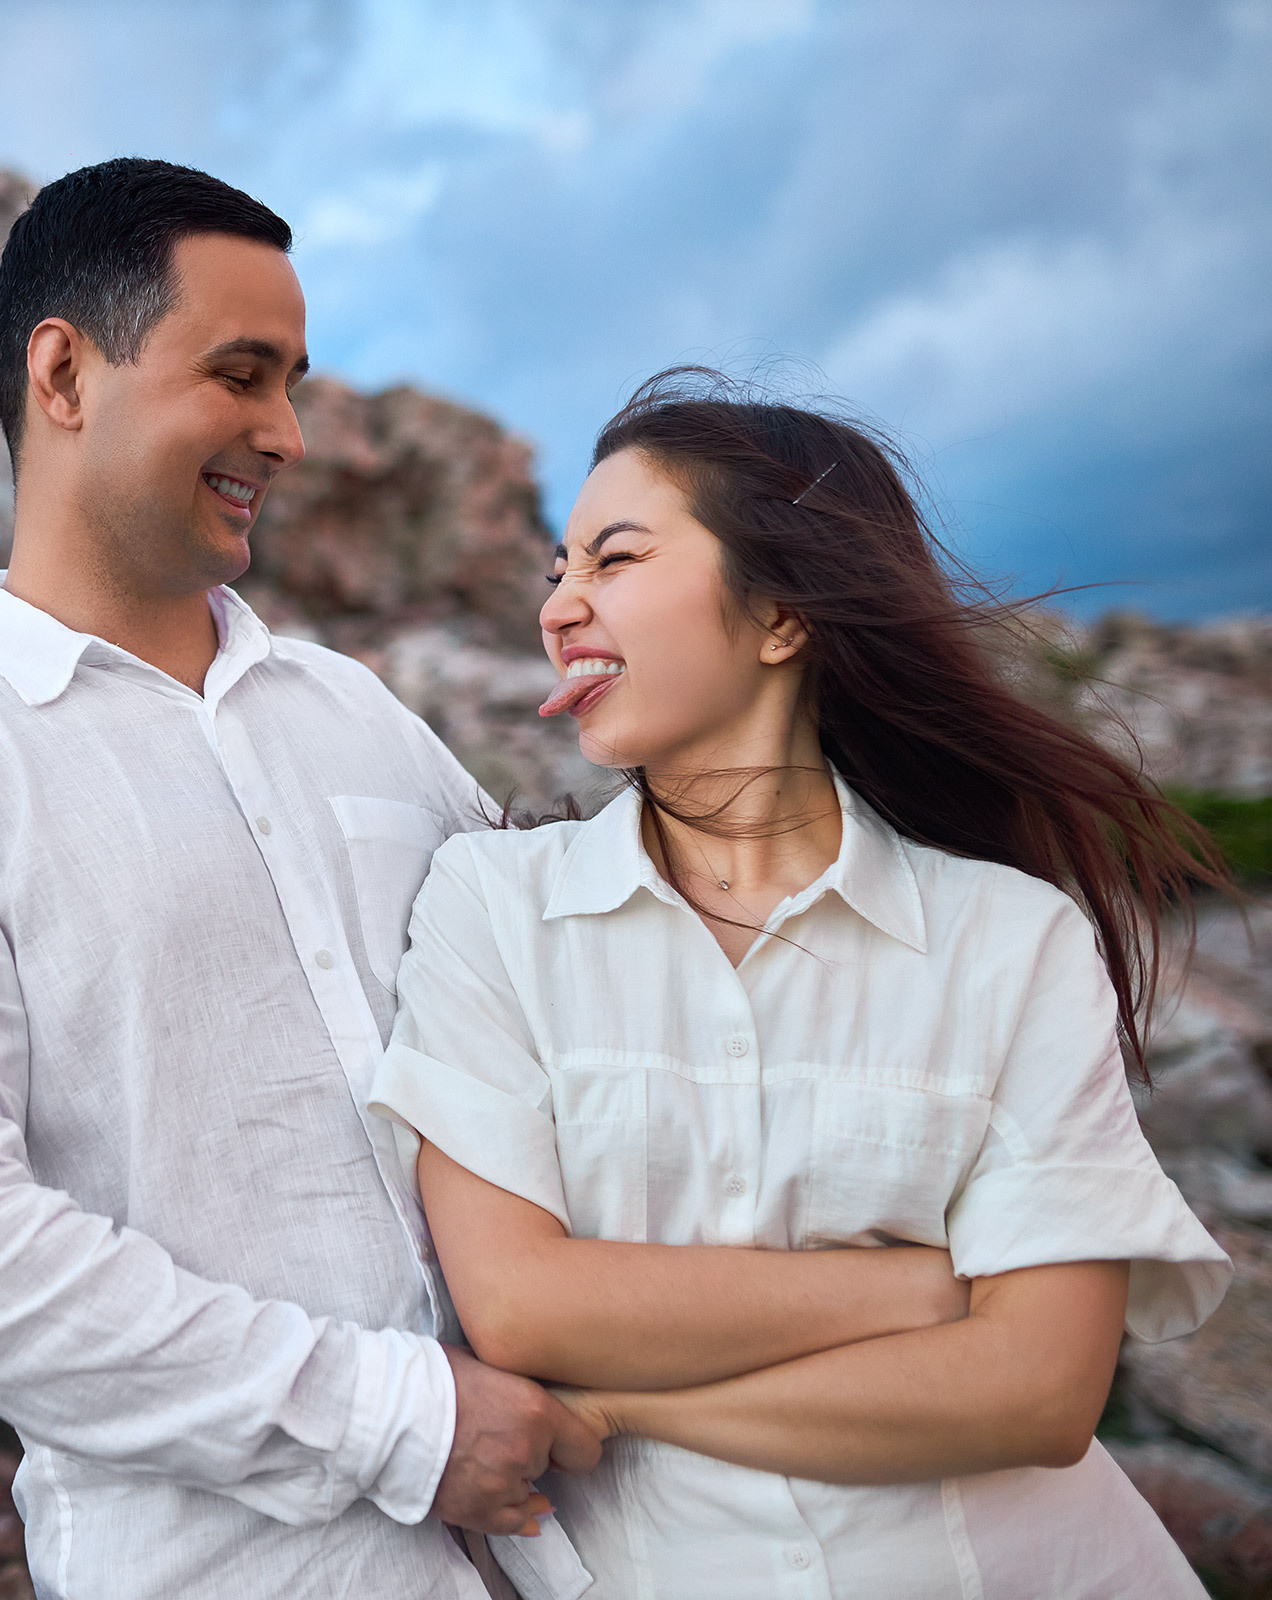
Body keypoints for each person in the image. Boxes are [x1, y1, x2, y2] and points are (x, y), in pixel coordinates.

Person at [0, 158, 603, 1598]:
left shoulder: (358, 713)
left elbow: (572, 1008)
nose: (285, 433)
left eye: (296, 384)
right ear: (65, 372)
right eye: (242, 374)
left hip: (590, 1535)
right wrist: (398, 1419)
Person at [369, 367, 1235, 1600]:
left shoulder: (1012, 938)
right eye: (554, 570)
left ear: (781, 615)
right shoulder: (494, 905)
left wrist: (616, 1399)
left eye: (613, 560)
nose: (560, 605)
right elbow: (519, 1305)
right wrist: (929, 1290)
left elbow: (1041, 1391)